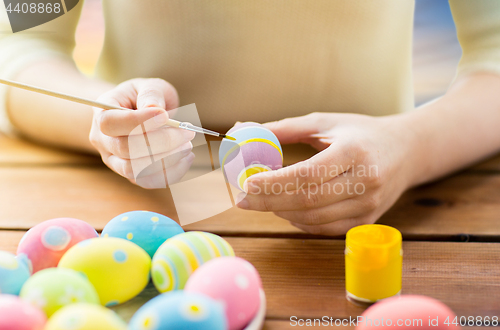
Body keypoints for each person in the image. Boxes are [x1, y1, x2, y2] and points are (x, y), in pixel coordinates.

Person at [1, 0, 500, 235]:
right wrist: (100, 115)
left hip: (373, 213)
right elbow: (19, 43)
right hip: (140, 213)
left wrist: (412, 146)